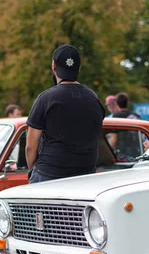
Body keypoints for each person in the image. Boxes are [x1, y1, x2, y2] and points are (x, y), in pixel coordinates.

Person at [26, 44, 105, 184]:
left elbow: (31, 146)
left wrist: (33, 170)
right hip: (85, 175)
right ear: (78, 68)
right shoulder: (93, 98)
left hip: (49, 173)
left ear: (53, 66)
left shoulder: (45, 98)